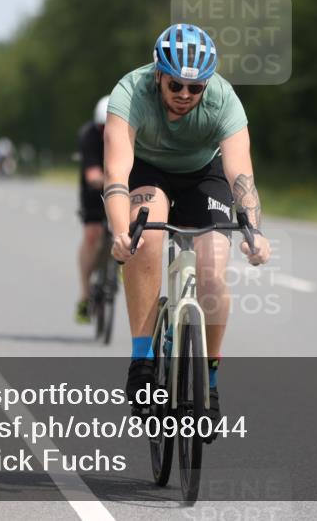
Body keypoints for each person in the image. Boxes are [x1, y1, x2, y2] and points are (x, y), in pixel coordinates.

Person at [102, 23, 271, 428]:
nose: (184, 95)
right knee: (146, 239)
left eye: (195, 89)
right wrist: (120, 232)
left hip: (203, 173)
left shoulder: (225, 100)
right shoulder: (130, 92)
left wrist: (254, 231)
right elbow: (116, 173)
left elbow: (240, 176)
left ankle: (209, 380)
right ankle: (142, 360)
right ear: (158, 74)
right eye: (175, 84)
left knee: (214, 268)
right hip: (148, 169)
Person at [75, 96, 110, 323]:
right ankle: (86, 294)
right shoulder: (89, 135)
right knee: (92, 235)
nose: (106, 132)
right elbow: (92, 175)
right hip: (95, 189)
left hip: (124, 186)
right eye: (102, 128)